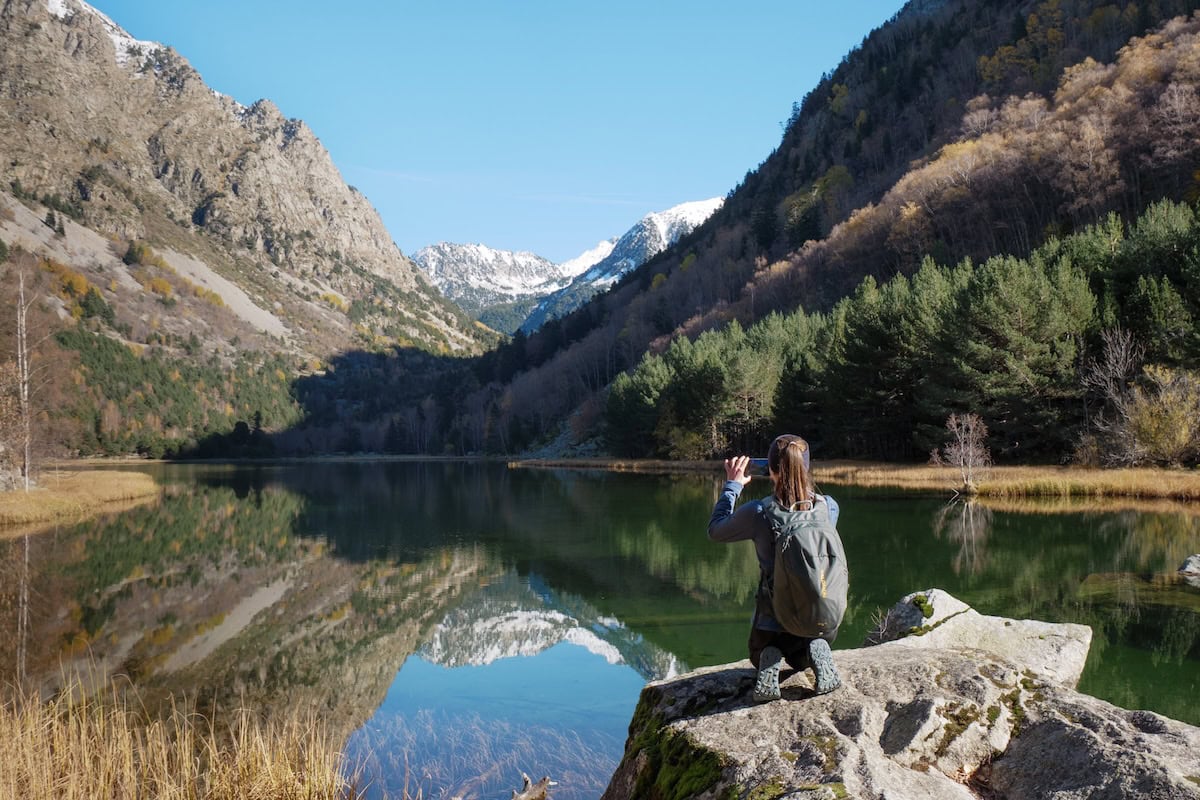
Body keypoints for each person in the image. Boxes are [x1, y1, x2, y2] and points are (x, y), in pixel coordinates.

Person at [707, 433, 843, 702]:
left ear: (770, 469)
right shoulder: (828, 507)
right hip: (821, 618)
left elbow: (715, 530)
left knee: (759, 654)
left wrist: (732, 486)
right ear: (806, 467)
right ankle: (813, 651)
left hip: (773, 622)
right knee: (804, 655)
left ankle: (770, 657)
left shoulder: (760, 512)